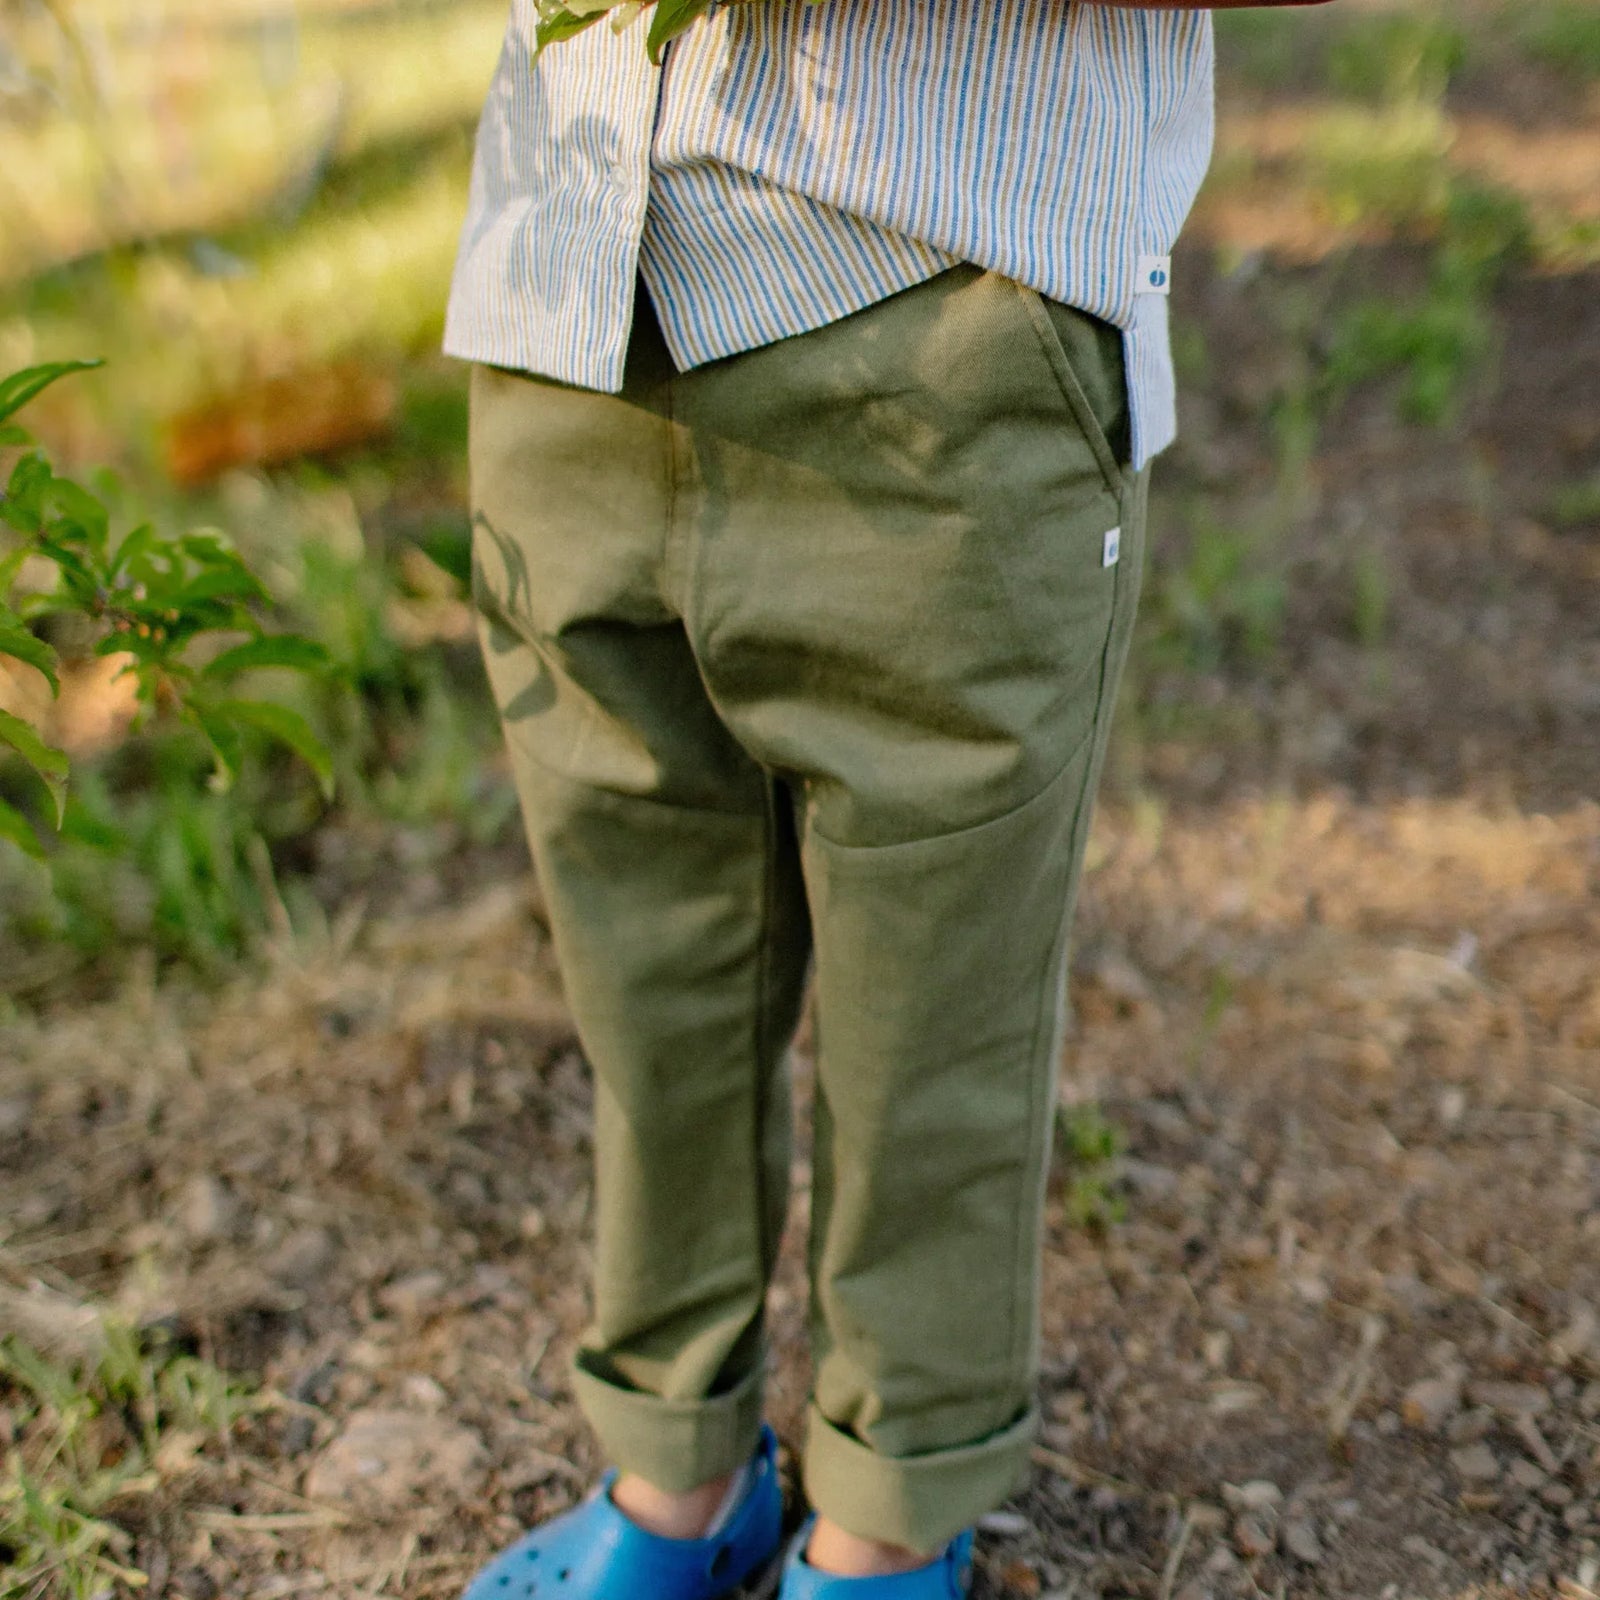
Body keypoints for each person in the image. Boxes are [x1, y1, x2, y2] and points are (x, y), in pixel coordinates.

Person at [445, 1, 1214, 1594]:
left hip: (933, 283)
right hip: (565, 277)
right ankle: (675, 1473)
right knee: (649, 975)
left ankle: (887, 1520)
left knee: (936, 1005)